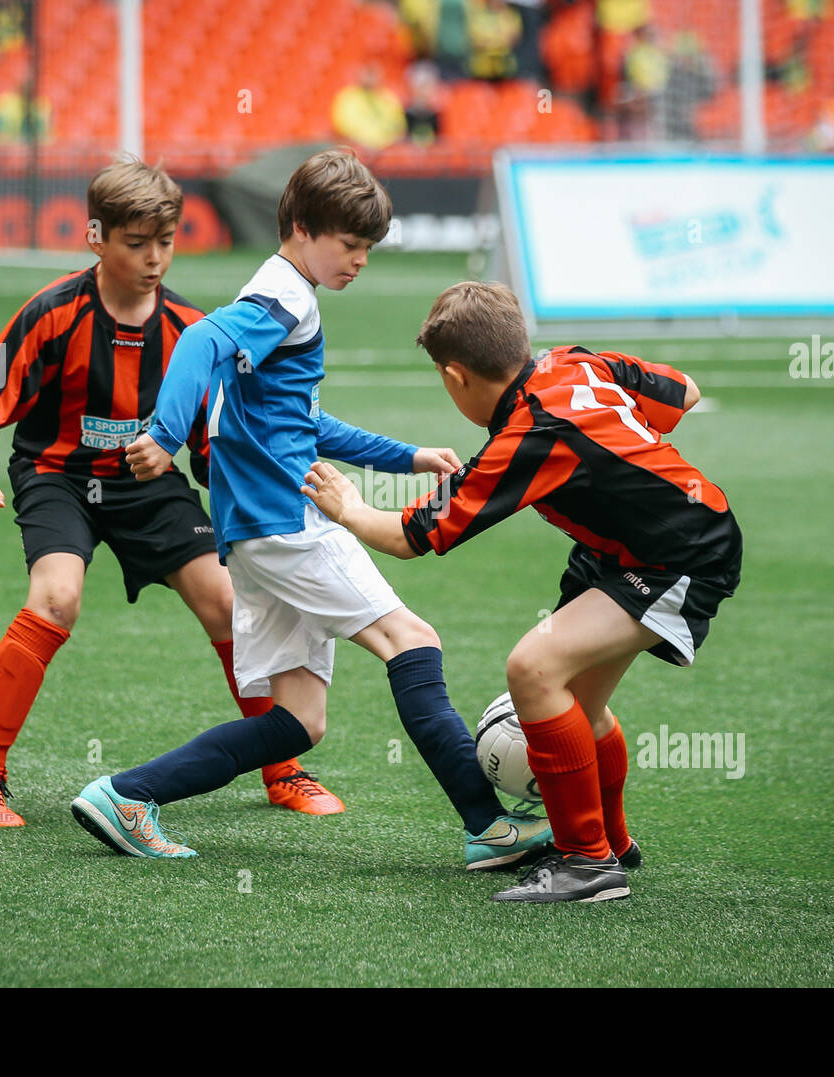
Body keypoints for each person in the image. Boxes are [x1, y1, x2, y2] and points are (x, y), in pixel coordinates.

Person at [71, 149, 551, 870]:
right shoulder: (287, 298)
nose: (359, 260)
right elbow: (199, 339)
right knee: (412, 640)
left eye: (367, 248)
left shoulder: (280, 292)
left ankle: (126, 795)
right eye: (349, 243)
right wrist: (165, 435)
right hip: (285, 523)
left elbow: (301, 422)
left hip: (253, 533)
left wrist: (407, 454)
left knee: (300, 721)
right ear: (301, 227)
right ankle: (487, 825)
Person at [0, 156, 345, 833]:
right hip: (58, 477)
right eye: (136, 242)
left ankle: (282, 766)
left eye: (167, 240)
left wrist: (270, 498)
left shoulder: (191, 329)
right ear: (95, 237)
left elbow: (215, 444)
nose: (154, 258)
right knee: (57, 596)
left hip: (149, 487)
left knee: (224, 598)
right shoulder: (52, 313)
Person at [302, 282, 743, 903]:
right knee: (580, 704)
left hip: (679, 556)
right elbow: (686, 392)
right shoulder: (576, 362)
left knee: (532, 669)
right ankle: (610, 844)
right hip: (621, 549)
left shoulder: (528, 436)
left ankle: (585, 863)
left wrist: (349, 506)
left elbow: (411, 536)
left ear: (455, 376)